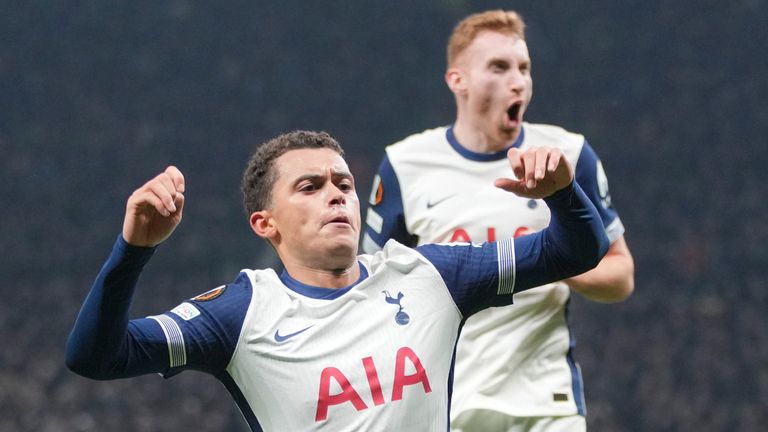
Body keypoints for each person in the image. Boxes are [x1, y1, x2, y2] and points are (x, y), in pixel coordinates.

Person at [66, 130, 608, 431]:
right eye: (310, 186)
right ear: (265, 224)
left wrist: (561, 191)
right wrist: (133, 250)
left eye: (343, 182)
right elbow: (96, 356)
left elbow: (577, 249)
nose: (336, 194)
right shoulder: (240, 313)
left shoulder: (428, 275)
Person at [362, 10, 635, 432]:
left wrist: (556, 259)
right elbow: (369, 289)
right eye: (499, 67)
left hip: (546, 405)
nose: (518, 81)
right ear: (458, 80)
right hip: (447, 407)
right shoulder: (404, 165)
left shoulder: (565, 156)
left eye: (524, 68)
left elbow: (621, 277)